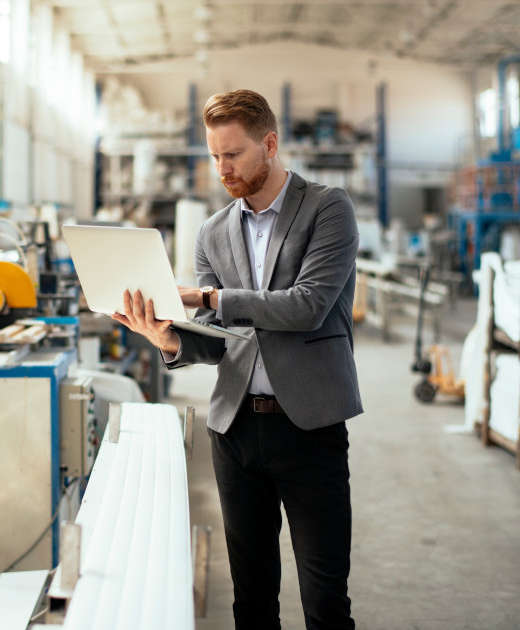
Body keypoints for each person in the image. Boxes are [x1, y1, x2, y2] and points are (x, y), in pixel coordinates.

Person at [112, 88, 363, 630]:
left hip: (311, 428)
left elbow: (307, 306)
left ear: (269, 144)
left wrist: (205, 297)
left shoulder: (327, 208)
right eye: (214, 156)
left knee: (325, 601)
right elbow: (217, 337)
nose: (222, 168)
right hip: (235, 431)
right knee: (251, 601)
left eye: (234, 154)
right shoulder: (213, 232)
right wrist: (166, 338)